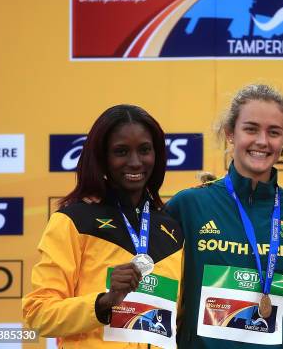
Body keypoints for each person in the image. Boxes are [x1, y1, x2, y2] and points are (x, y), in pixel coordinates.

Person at [166, 84, 283, 348]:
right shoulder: (189, 205)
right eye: (251, 129)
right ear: (230, 133)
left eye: (274, 132)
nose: (262, 141)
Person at [23, 105, 184, 348]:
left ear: (157, 154)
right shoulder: (74, 220)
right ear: (102, 157)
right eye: (121, 151)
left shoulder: (171, 227)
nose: (135, 162)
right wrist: (103, 303)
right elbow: (38, 313)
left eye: (144, 150)